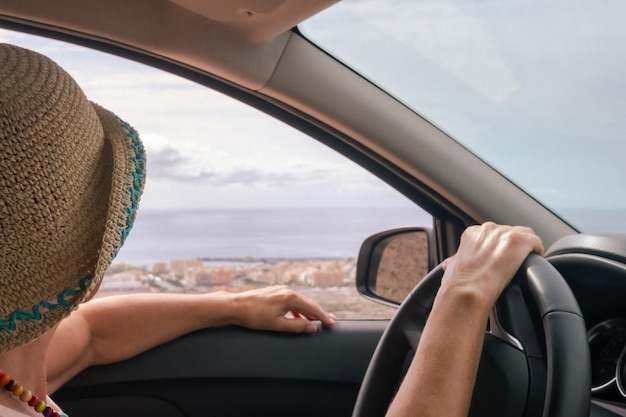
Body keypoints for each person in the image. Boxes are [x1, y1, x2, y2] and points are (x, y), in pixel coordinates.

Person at [0, 43, 543, 417]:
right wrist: (466, 295)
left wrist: (229, 305)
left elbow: (92, 335)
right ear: (86, 273)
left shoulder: (12, 368)